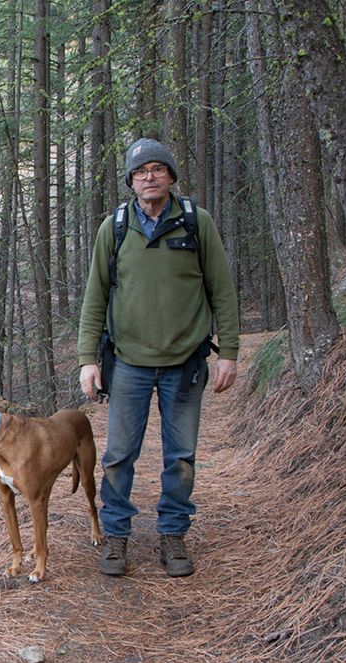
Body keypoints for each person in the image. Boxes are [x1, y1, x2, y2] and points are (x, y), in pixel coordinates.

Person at [78, 138, 239, 578]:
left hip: (185, 361)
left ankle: (173, 534)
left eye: (157, 169)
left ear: (170, 177)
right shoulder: (113, 229)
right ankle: (116, 537)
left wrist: (230, 352)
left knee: (181, 455)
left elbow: (222, 290)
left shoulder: (195, 222)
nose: (149, 177)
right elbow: (95, 297)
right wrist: (87, 358)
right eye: (140, 172)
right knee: (118, 455)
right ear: (131, 182)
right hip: (127, 361)